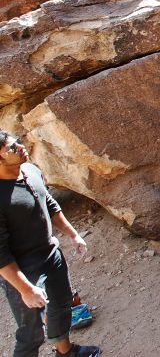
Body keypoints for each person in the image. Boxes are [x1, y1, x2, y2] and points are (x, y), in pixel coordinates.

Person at [0, 131, 101, 357]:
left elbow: (48, 201)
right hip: (23, 271)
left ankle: (66, 352)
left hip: (50, 256)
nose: (20, 146)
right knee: (31, 333)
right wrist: (26, 290)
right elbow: (0, 254)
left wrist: (73, 234)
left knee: (61, 307)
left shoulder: (30, 170)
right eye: (11, 148)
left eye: (17, 141)